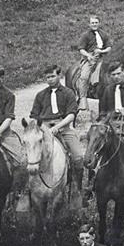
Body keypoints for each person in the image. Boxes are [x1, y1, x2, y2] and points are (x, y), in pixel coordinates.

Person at [30, 65, 84, 204]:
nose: (50, 80)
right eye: (47, 77)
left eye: (53, 76)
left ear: (60, 76)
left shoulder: (68, 93)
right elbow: (34, 116)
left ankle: (78, 189)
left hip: (64, 127)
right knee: (30, 156)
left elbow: (72, 114)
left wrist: (58, 127)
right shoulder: (40, 95)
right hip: (45, 128)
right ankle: (27, 191)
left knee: (78, 157)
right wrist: (42, 128)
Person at [76, 15, 112, 113]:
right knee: (84, 76)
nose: (94, 24)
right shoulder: (85, 35)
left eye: (96, 22)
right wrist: (88, 56)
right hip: (90, 57)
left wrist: (102, 51)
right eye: (92, 23)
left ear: (99, 23)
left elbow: (109, 47)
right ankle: (83, 98)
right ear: (89, 24)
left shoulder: (104, 34)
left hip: (103, 56)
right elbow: (81, 49)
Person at [0, 65, 23, 175]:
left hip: (1, 130)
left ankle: (16, 186)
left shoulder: (9, 95)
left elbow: (9, 118)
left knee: (19, 159)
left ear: (2, 78)